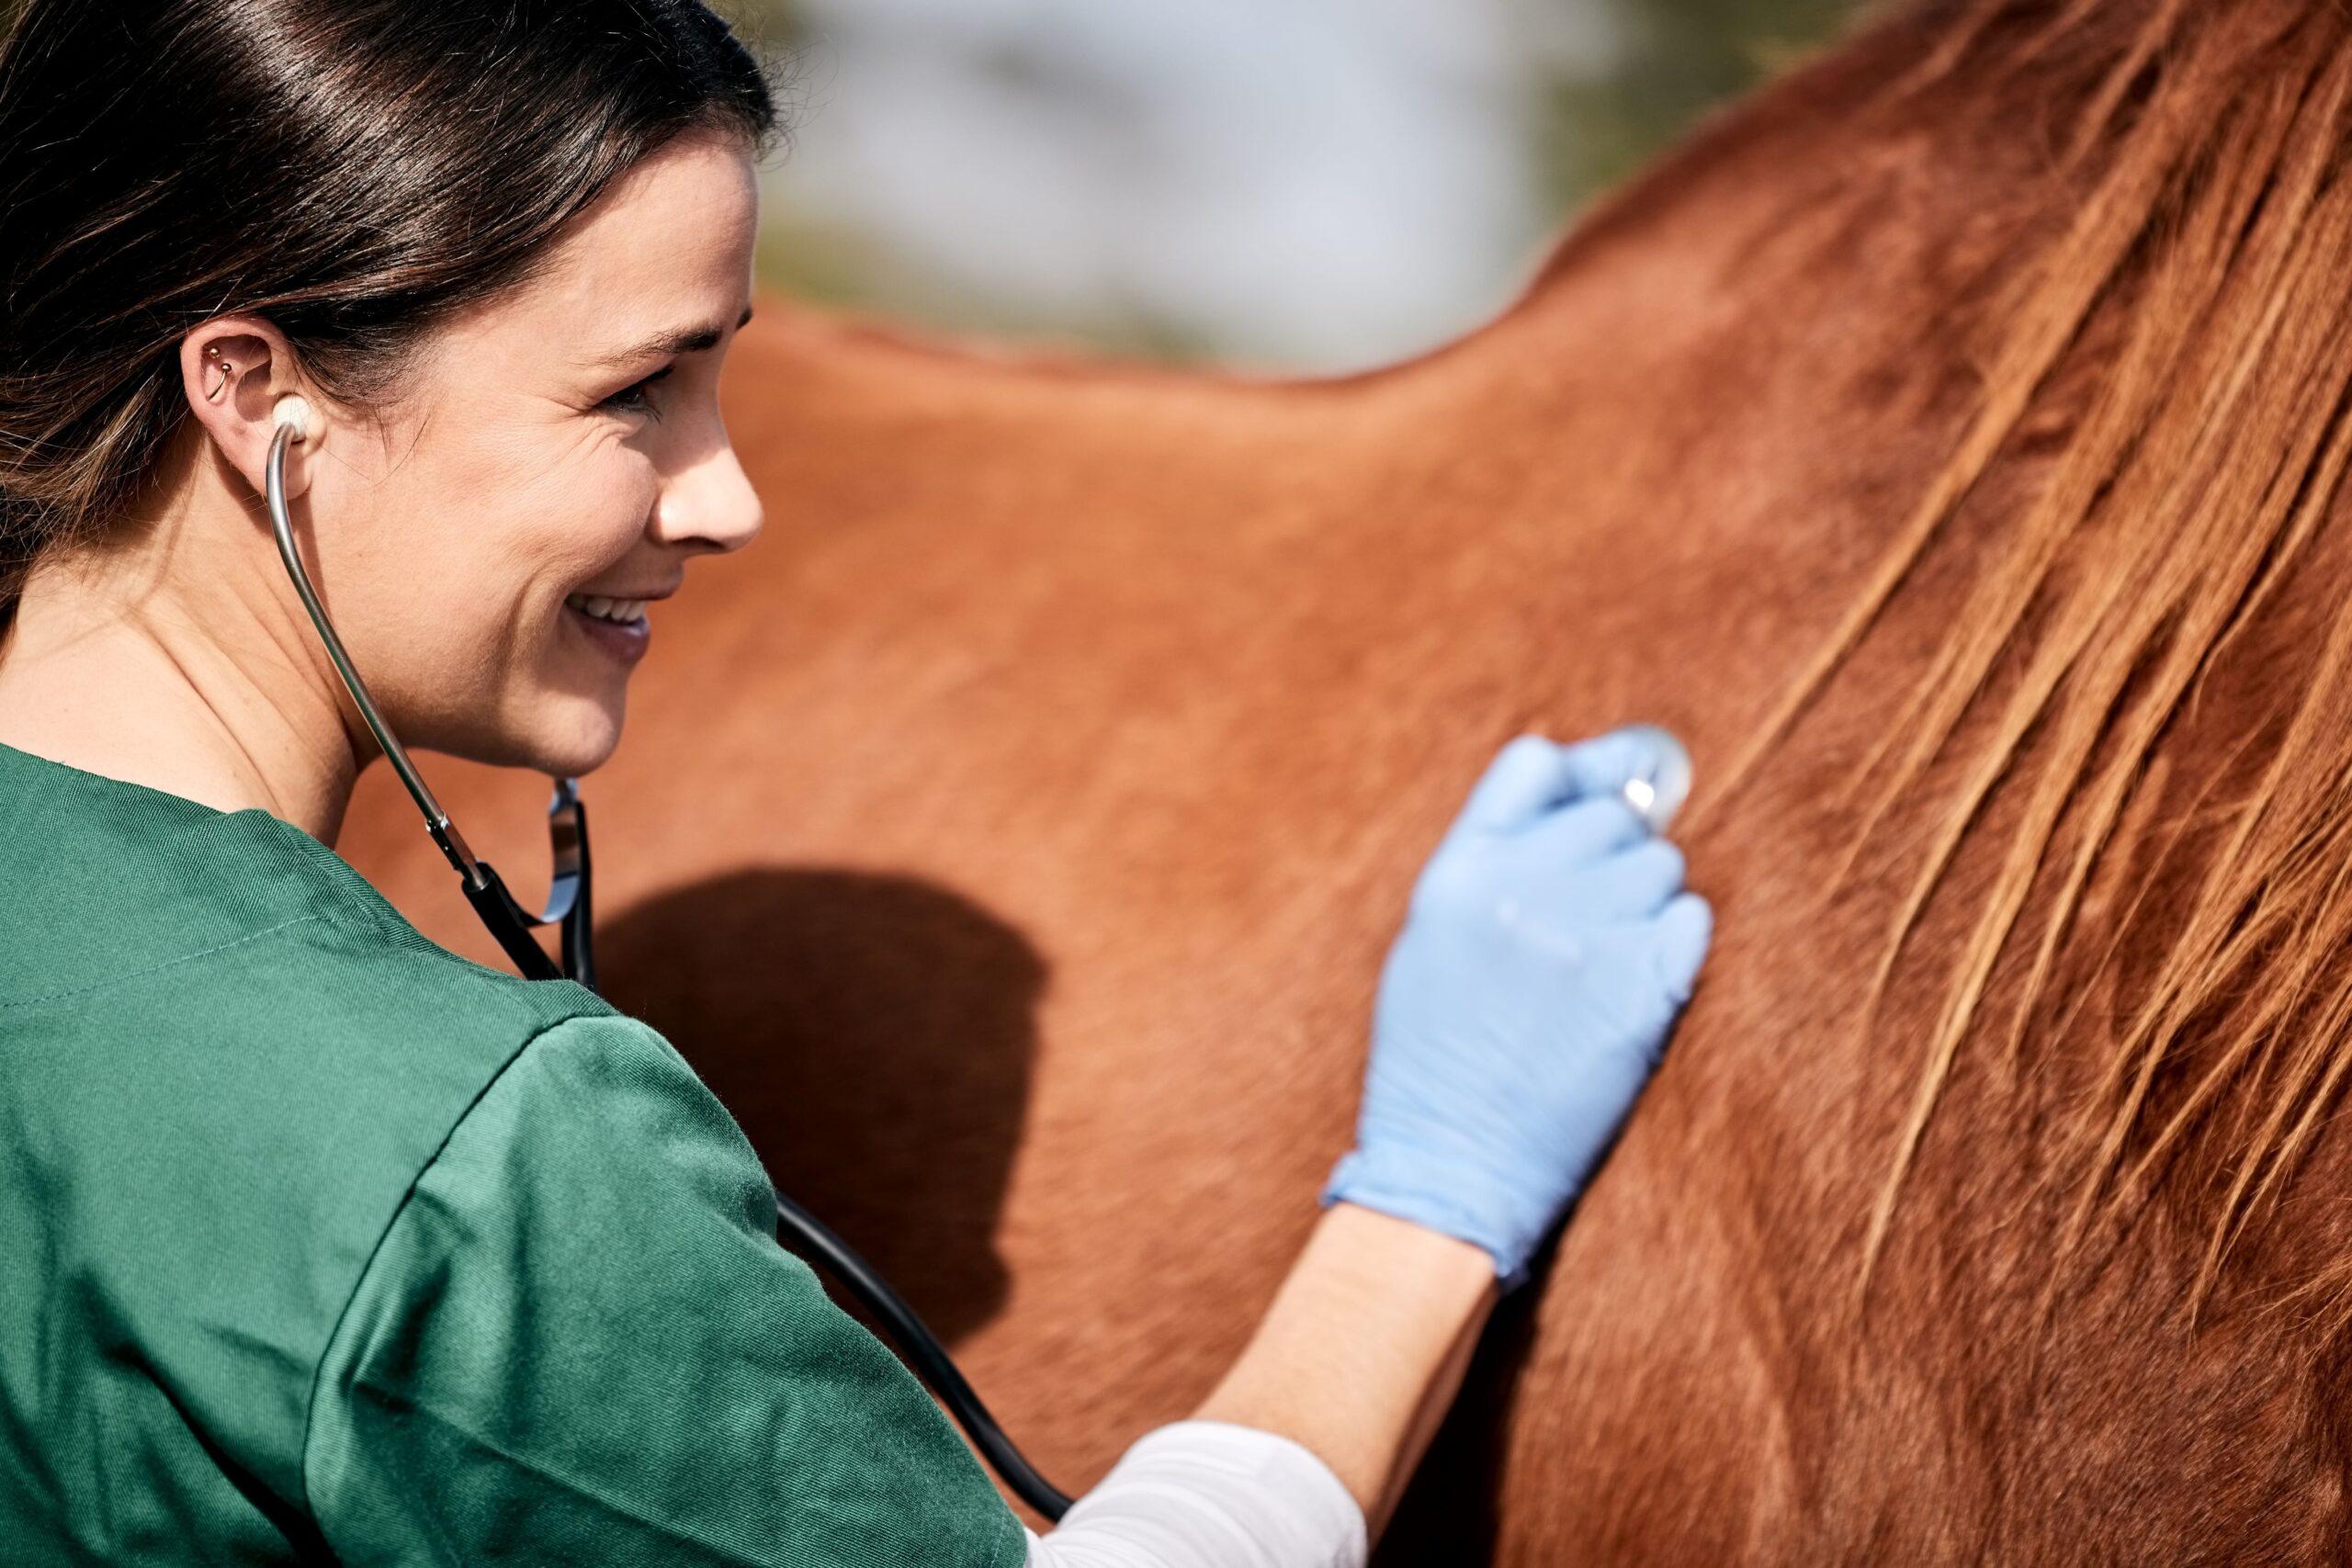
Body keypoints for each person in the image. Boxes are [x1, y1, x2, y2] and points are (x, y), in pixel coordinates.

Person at [0, 2, 1713, 1562]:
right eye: (636, 391)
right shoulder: (472, 1180)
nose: (729, 496)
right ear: (256, 392)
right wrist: (1423, 1211)